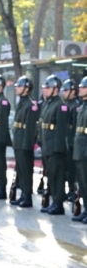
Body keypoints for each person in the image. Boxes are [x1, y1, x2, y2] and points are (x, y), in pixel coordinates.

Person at [39, 74, 70, 215]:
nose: (45, 90)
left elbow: (61, 130)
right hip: (47, 146)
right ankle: (54, 201)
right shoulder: (48, 104)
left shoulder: (60, 106)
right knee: (51, 175)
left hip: (55, 148)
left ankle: (58, 203)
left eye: (48, 88)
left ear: (55, 89)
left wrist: (58, 149)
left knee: (57, 176)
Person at [11, 76, 39, 208]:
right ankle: (22, 194)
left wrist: (27, 146)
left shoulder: (31, 105)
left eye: (20, 86)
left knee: (26, 170)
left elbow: (30, 128)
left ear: (27, 89)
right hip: (18, 141)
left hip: (24, 143)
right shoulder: (21, 102)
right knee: (21, 170)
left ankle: (27, 197)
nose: (17, 88)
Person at [62, 79, 80, 203]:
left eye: (66, 90)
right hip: (66, 141)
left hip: (72, 142)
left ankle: (73, 191)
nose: (64, 92)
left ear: (73, 92)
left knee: (72, 170)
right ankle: (69, 190)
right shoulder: (66, 105)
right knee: (66, 169)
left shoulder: (76, 106)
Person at [72, 76, 87, 223]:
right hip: (79, 150)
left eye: (83, 87)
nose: (80, 89)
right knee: (82, 183)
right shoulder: (82, 107)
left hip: (85, 150)